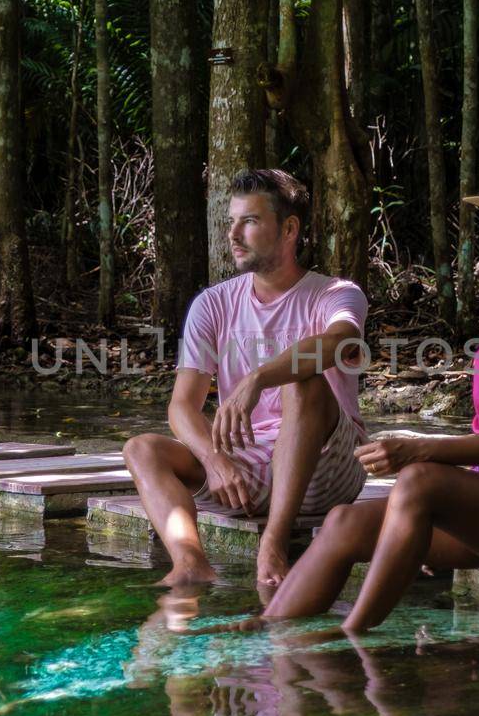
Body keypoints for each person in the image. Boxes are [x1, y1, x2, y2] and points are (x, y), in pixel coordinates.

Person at [264, 160, 479, 633]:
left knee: (421, 479)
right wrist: (434, 510)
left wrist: (422, 451)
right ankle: (268, 633)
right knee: (343, 521)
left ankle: (351, 637)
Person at [124, 168, 368, 589]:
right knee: (142, 449)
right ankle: (190, 563)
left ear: (289, 229)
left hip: (328, 466)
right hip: (246, 473)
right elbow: (182, 405)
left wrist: (258, 377)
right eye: (231, 221)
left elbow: (338, 340)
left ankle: (273, 543)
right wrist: (214, 460)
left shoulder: (336, 293)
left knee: (303, 378)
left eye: (250, 221)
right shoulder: (213, 304)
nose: (234, 234)